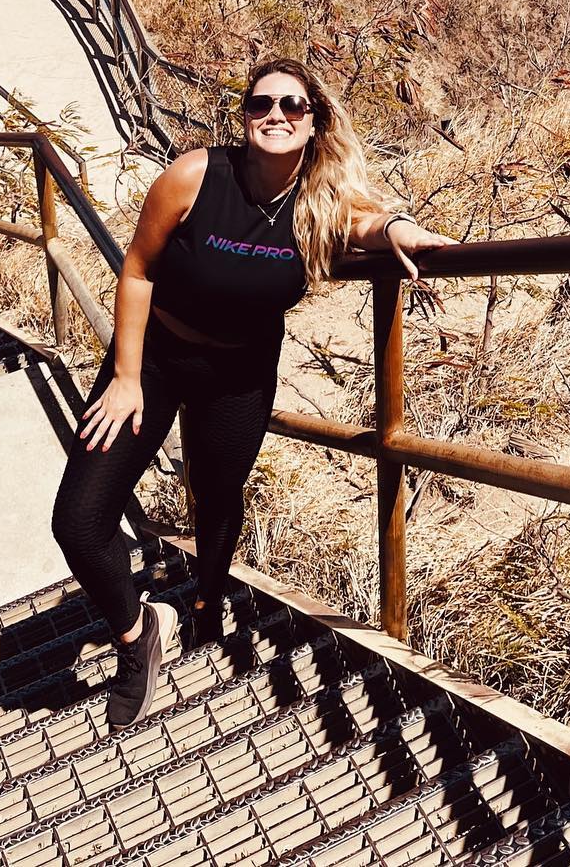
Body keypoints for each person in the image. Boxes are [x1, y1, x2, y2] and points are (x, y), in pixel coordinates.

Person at [51, 56, 451, 731]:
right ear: (244, 116)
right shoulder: (195, 176)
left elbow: (373, 225)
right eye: (261, 104)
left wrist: (401, 229)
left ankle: (206, 603)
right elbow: (139, 269)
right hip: (153, 360)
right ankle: (136, 636)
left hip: (239, 374)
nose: (276, 116)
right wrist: (124, 375)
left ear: (314, 119)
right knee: (80, 521)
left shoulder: (322, 203)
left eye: (293, 106)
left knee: (217, 495)